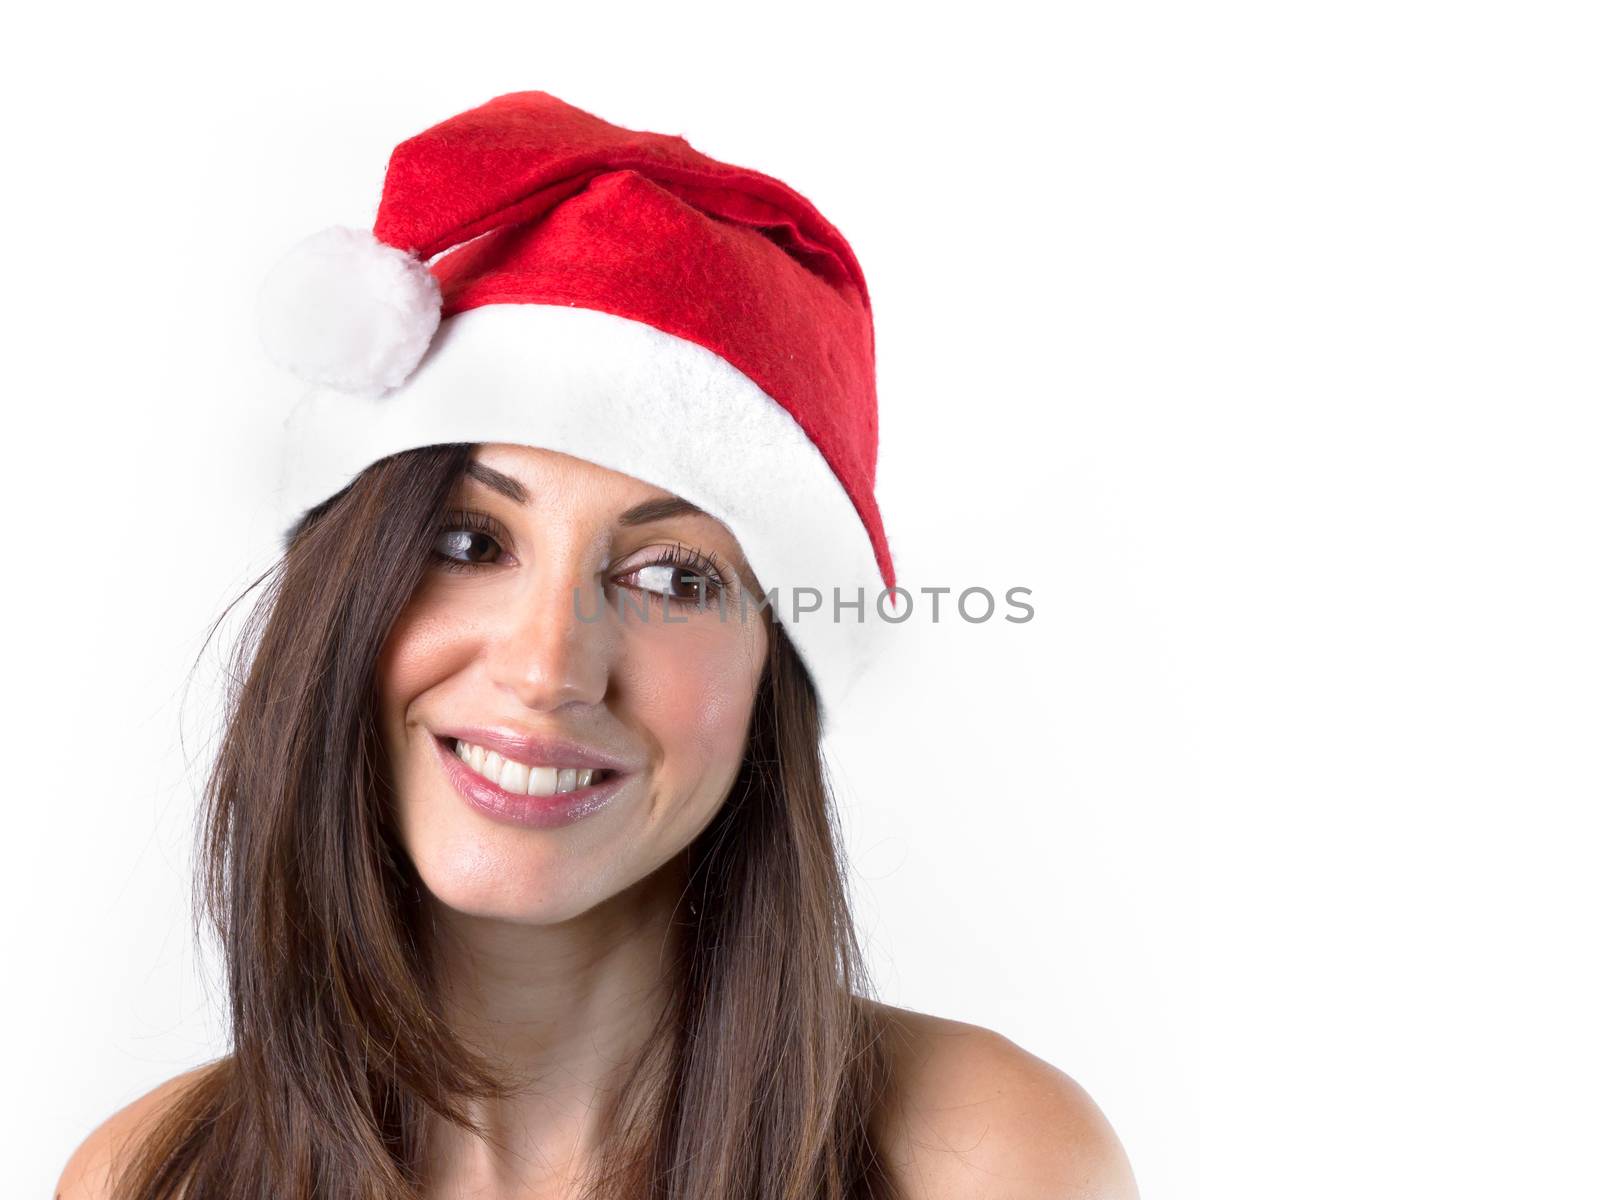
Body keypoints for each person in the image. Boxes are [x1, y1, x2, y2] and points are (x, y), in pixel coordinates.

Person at [56, 90, 1138, 1200]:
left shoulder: (987, 1161)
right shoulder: (149, 1178)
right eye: (469, 540)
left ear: (776, 676)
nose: (544, 670)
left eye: (674, 576)